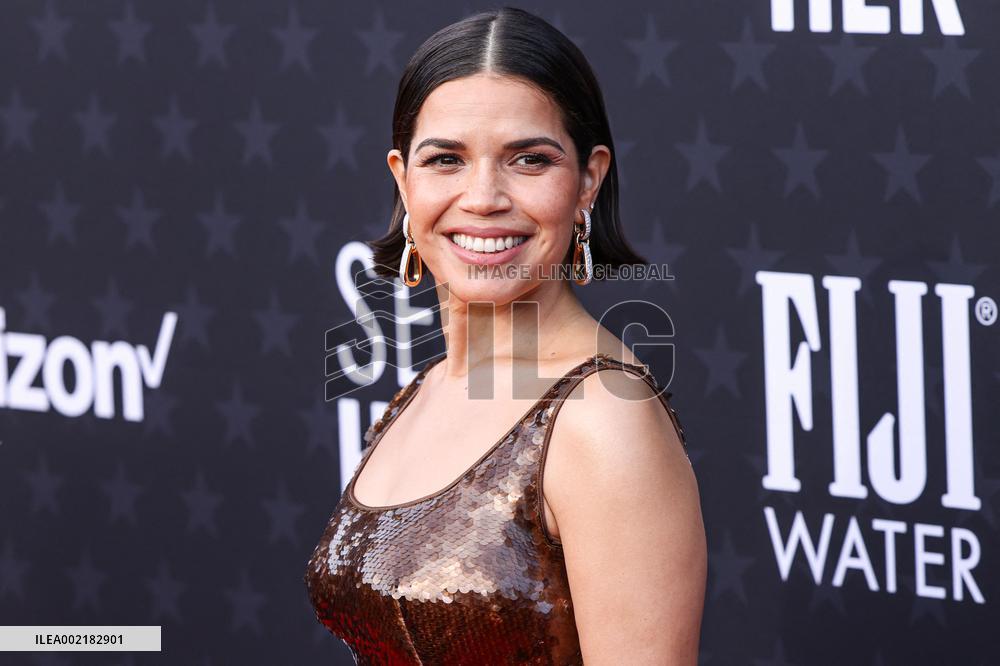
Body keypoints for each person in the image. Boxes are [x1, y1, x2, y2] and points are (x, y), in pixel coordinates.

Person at [305, 7, 706, 664]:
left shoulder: (602, 420)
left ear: (588, 180)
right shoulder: (429, 386)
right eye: (446, 160)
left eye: (528, 159)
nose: (483, 197)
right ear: (403, 181)